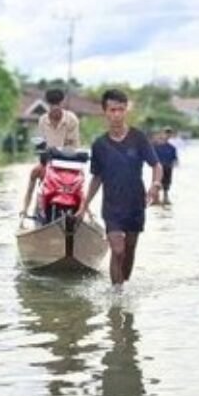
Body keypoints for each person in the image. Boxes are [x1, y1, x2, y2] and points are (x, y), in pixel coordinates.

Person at [77, 89, 163, 290]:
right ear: (105, 112)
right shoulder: (99, 145)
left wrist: (155, 185)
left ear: (126, 111)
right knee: (117, 250)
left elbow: (156, 165)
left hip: (135, 204)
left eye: (121, 110)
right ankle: (116, 296)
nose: (117, 114)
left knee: (129, 250)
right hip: (112, 206)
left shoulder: (138, 138)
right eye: (112, 110)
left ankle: (123, 287)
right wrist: (84, 205)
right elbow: (96, 178)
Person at [20, 88, 81, 220]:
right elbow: (42, 143)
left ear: (62, 104)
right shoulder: (42, 120)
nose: (55, 108)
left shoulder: (71, 120)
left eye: (57, 104)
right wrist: (43, 154)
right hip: (48, 162)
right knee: (35, 172)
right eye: (52, 104)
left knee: (80, 179)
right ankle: (25, 209)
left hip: (69, 163)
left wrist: (56, 152)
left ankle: (83, 210)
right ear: (48, 105)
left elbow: (72, 146)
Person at [154, 127, 179, 204]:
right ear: (162, 134)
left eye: (169, 133)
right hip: (159, 168)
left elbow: (175, 159)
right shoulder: (156, 146)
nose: (167, 135)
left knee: (167, 183)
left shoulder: (172, 148)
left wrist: (175, 163)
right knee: (157, 182)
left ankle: (165, 198)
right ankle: (156, 199)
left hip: (168, 167)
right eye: (166, 133)